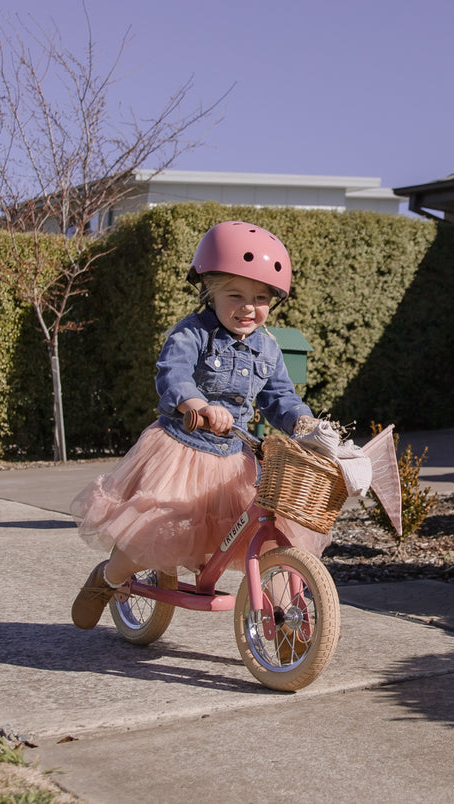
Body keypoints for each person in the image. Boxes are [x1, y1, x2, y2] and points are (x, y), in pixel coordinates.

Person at [71, 220, 320, 630]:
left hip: (232, 458)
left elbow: (280, 397)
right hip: (182, 450)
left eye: (260, 298)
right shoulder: (193, 333)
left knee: (267, 531)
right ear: (209, 291)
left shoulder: (268, 347)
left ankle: (285, 625)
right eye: (234, 295)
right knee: (154, 530)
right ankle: (108, 579)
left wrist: (303, 421)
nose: (247, 308)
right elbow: (173, 374)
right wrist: (197, 403)